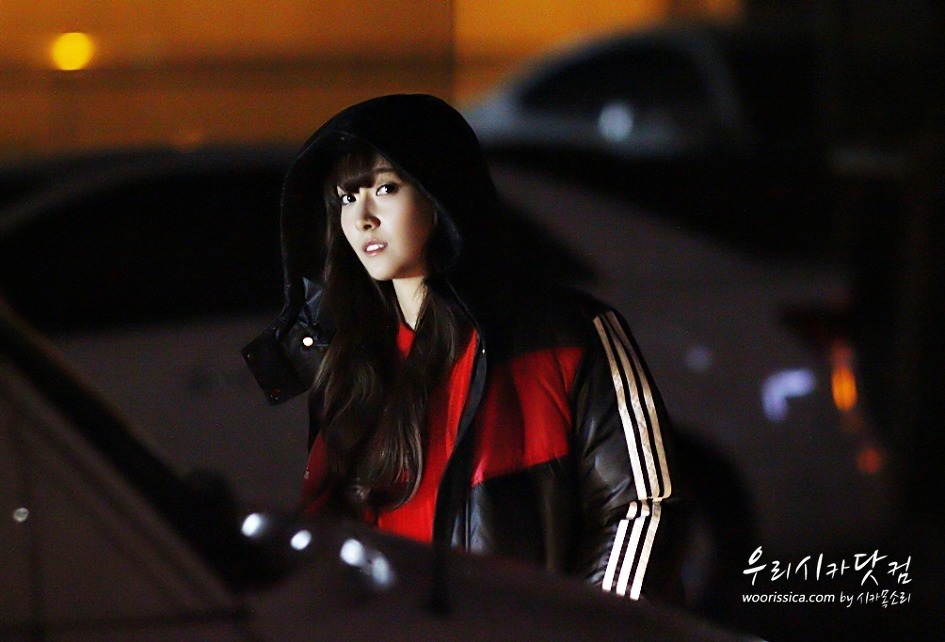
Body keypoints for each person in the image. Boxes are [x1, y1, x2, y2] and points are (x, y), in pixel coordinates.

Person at [243, 94, 686, 604]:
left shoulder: (565, 333)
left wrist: (584, 628)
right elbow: (326, 539)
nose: (362, 217)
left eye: (385, 188)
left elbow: (645, 507)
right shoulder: (349, 362)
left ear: (440, 195)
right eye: (346, 197)